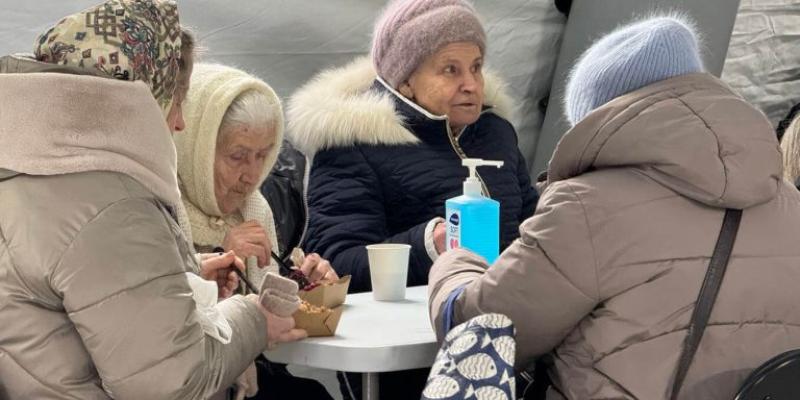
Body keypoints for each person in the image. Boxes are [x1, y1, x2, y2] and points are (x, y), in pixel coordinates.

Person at [428, 16, 800, 399]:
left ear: (601, 123)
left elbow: (480, 334)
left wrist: (455, 262)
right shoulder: (789, 203)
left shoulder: (586, 207)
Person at [0, 1, 304, 399]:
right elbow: (169, 384)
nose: (179, 123)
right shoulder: (110, 202)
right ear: (142, 99)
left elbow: (64, 293)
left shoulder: (26, 170)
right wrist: (255, 319)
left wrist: (185, 279)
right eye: (176, 100)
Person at [287, 0, 539, 294]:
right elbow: (335, 264)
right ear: (406, 80)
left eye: (476, 67)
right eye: (450, 70)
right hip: (414, 331)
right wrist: (427, 245)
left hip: (513, 312)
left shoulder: (496, 133)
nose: (471, 84)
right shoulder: (355, 145)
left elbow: (531, 225)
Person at [174, 62, 337, 399]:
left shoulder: (255, 207)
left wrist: (305, 287)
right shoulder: (160, 205)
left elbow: (269, 325)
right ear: (197, 148)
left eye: (264, 156)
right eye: (237, 156)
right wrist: (220, 254)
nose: (252, 175)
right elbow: (160, 326)